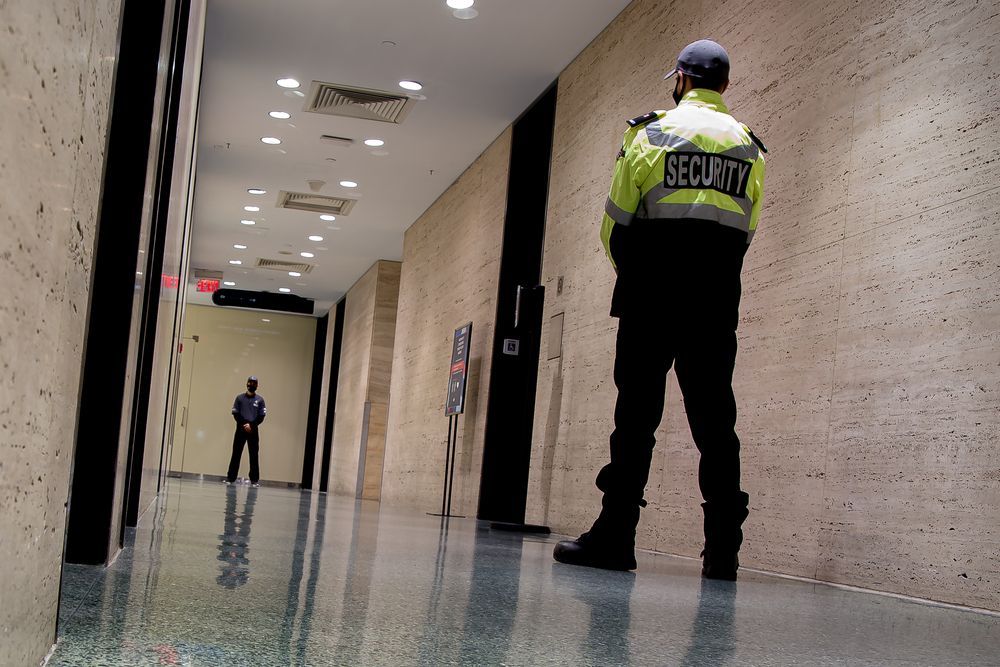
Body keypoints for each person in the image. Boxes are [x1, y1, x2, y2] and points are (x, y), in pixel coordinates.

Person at [553, 39, 766, 580]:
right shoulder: (749, 147)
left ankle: (616, 536)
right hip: (715, 304)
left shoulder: (649, 134)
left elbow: (615, 223)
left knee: (635, 419)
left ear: (680, 80)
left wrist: (637, 274)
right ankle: (723, 551)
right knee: (716, 422)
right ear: (724, 85)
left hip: (650, 298)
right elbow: (746, 231)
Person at [226, 376, 267, 487]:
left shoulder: (260, 400)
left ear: (257, 386)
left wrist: (251, 425)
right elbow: (236, 413)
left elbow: (261, 416)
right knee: (236, 453)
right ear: (246, 383)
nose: (251, 385)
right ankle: (230, 478)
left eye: (254, 383)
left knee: (254, 455)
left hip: (253, 431)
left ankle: (254, 480)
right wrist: (244, 424)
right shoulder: (239, 398)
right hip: (240, 429)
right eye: (250, 382)